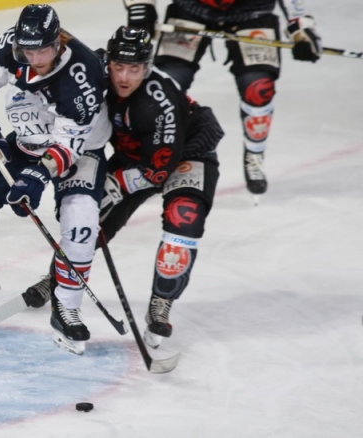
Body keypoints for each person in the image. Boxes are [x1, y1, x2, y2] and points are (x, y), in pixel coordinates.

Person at [0, 4, 112, 354]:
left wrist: (36, 176)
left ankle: (67, 307)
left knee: (81, 224)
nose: (35, 57)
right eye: (28, 50)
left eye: (42, 49)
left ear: (57, 41)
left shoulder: (83, 74)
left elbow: (68, 145)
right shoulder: (11, 45)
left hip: (79, 151)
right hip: (30, 140)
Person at [97, 26, 222, 349]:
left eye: (134, 69)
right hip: (135, 154)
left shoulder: (158, 100)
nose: (124, 77)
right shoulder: (96, 72)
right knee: (87, 216)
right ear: (108, 61)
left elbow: (158, 169)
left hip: (187, 154)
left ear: (147, 66)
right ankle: (59, 277)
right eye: (118, 67)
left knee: (184, 218)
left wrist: (118, 182)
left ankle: (161, 301)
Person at [122, 0, 322, 200]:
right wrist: (141, 6)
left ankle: (255, 152)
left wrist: (301, 28)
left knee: (258, 87)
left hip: (253, 13)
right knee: (163, 88)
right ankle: (146, 157)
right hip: (190, 8)